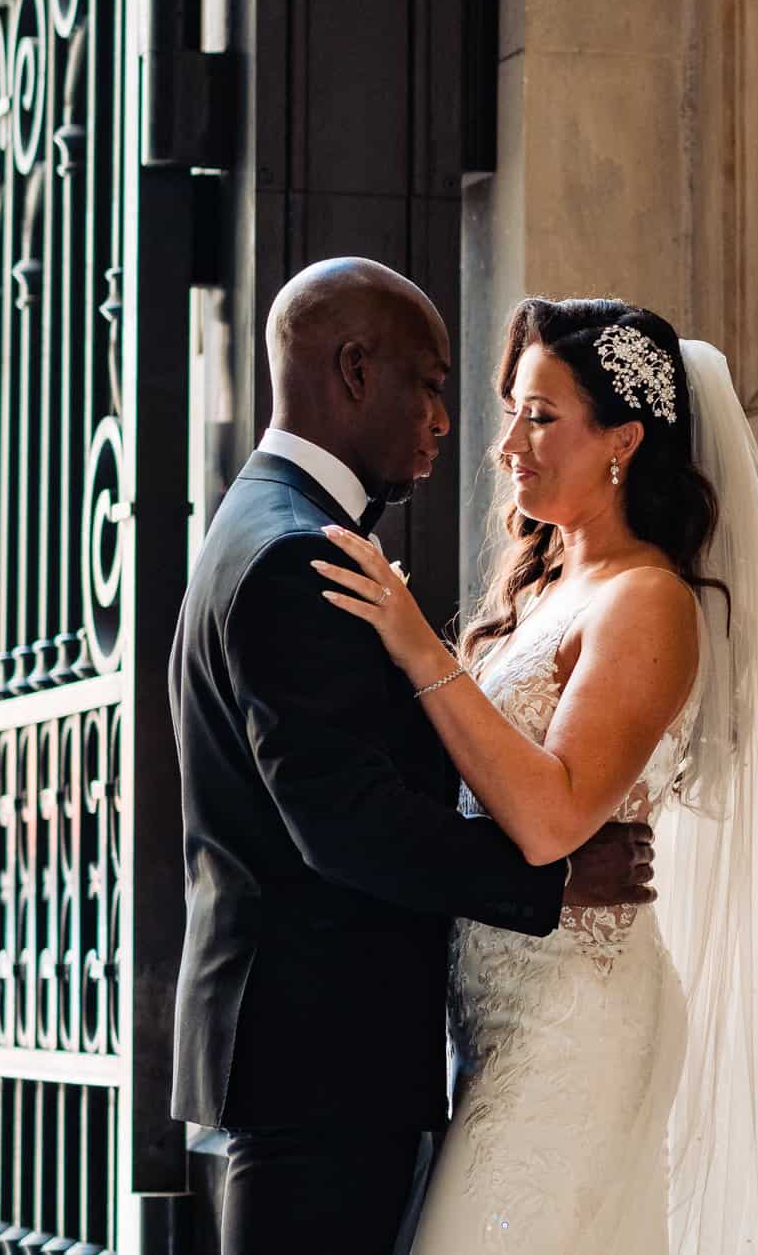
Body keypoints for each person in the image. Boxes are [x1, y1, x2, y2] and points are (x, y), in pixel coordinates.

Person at [313, 297, 758, 1252]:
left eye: (543, 416)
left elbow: (553, 818)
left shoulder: (649, 601)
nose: (508, 440)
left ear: (623, 440)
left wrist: (412, 642)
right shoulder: (546, 587)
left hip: (576, 1026)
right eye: (513, 409)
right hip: (494, 1023)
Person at [168, 260, 660, 1255]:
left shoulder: (267, 521)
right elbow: (346, 822)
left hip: (317, 1054)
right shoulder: (293, 554)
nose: (446, 420)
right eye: (427, 382)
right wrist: (555, 881)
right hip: (320, 1067)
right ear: (354, 368)